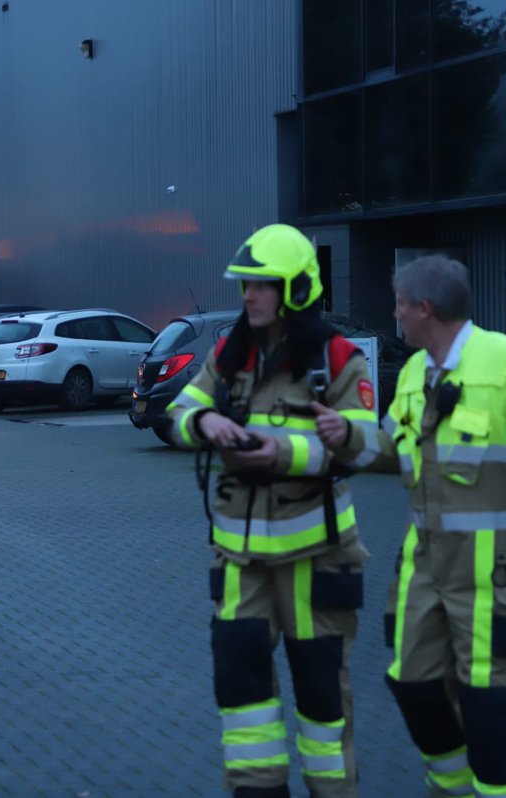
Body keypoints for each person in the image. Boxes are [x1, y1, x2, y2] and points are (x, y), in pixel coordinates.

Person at [312, 255, 506, 798]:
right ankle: (454, 786)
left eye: (398, 304)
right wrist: (343, 433)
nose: (393, 316)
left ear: (424, 308)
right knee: (413, 683)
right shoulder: (417, 372)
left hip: (503, 575)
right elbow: (393, 448)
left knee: (497, 713)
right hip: (427, 569)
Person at [165, 223, 377, 798]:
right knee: (240, 689)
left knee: (321, 698)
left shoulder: (336, 360)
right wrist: (206, 421)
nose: (249, 296)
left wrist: (283, 450)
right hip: (241, 559)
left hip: (317, 559)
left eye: (262, 285)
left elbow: (367, 445)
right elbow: (182, 410)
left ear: (296, 289)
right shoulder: (230, 353)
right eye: (245, 285)